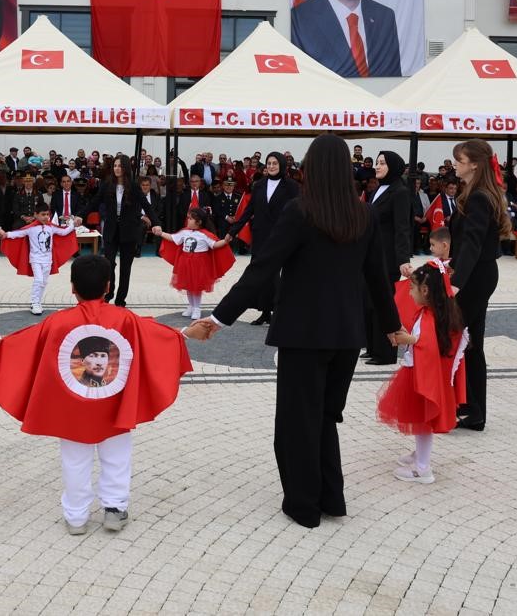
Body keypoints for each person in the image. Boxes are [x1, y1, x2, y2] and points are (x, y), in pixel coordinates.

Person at [186, 134, 400, 528]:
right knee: (325, 416)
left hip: (303, 334)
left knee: (297, 421)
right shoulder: (364, 214)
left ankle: (303, 505)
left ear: (312, 167)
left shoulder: (300, 211)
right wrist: (392, 326)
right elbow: (377, 279)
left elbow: (261, 270)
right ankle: (331, 498)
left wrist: (218, 319)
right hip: (346, 335)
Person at [0, 254, 194, 535]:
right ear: (108, 286)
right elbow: (156, 334)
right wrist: (184, 333)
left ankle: (76, 517)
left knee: (74, 460)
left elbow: (26, 340)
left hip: (72, 408)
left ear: (72, 288)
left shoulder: (57, 322)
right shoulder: (126, 319)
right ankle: (115, 509)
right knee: (117, 455)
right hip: (115, 403)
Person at [376, 263, 468, 484]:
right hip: (423, 374)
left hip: (421, 376)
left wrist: (407, 339)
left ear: (425, 290)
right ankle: (420, 453)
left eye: (412, 288)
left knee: (422, 421)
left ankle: (423, 468)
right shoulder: (437, 312)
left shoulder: (430, 317)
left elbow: (426, 345)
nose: (409, 293)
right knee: (421, 420)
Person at [447, 140, 510, 432]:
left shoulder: (478, 198)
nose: (454, 164)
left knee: (459, 339)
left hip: (476, 277)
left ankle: (469, 407)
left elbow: (472, 243)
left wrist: (456, 282)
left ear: (474, 164)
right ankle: (472, 410)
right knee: (471, 343)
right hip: (478, 274)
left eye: (458, 160)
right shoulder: (476, 193)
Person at [227, 151, 299, 326]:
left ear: (282, 165)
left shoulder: (291, 186)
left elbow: (299, 211)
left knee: (275, 274)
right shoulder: (259, 185)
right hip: (260, 235)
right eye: (269, 163)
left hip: (281, 236)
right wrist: (233, 231)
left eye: (275, 163)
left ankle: (279, 311)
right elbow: (249, 210)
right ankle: (265, 312)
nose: (271, 166)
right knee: (261, 274)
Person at [365, 150, 411, 366]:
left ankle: (385, 353)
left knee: (384, 303)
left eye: (382, 163)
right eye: (377, 162)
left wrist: (403, 259)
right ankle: (372, 347)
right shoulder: (378, 189)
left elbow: (402, 228)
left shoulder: (400, 192)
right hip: (372, 254)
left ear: (393, 166)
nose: (377, 166)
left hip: (388, 257)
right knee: (369, 302)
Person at [97, 154, 159, 306]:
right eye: (115, 166)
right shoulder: (107, 185)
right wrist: (80, 215)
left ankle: (120, 300)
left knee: (125, 268)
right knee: (108, 264)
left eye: (120, 166)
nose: (117, 168)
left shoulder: (134, 186)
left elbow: (146, 205)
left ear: (125, 168)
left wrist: (156, 223)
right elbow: (94, 202)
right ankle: (109, 293)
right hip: (111, 230)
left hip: (129, 231)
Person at [153, 207, 234, 321]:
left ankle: (197, 308)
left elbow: (214, 245)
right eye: (188, 218)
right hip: (185, 263)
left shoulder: (205, 234)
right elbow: (173, 238)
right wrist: (161, 233)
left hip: (199, 265)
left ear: (199, 222)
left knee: (196, 288)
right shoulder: (185, 232)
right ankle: (191, 306)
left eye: (190, 219)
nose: (188, 220)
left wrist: (225, 241)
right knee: (189, 286)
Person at [1, 203, 79, 315]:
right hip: (35, 259)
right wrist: (6, 234)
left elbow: (63, 232)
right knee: (38, 280)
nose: (46, 217)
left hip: (48, 260)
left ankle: (38, 301)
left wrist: (72, 225)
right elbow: (18, 233)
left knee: (44, 282)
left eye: (47, 214)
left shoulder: (51, 227)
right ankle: (34, 303)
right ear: (35, 215)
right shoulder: (30, 228)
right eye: (43, 214)